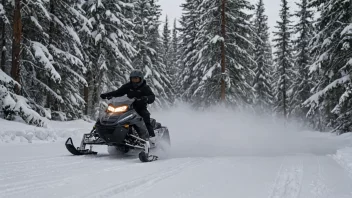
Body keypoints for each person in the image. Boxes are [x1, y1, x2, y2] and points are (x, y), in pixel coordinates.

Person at [100, 70, 156, 142]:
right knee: (108, 115)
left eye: (136, 78)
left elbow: (152, 96)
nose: (134, 80)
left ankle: (151, 137)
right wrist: (107, 95)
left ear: (140, 79)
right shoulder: (128, 86)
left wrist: (146, 98)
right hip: (128, 107)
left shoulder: (145, 88)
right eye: (133, 78)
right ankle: (107, 133)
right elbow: (118, 92)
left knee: (145, 116)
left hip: (139, 108)